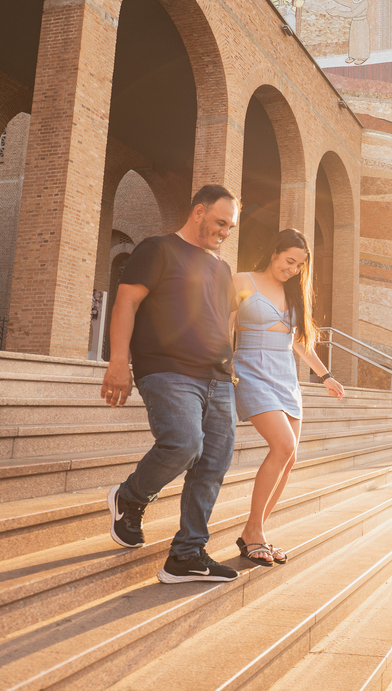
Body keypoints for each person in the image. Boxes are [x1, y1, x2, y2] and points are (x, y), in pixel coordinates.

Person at [101, 184, 242, 584]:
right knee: (184, 443)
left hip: (218, 377)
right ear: (198, 212)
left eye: (230, 227)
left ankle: (187, 554)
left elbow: (225, 321)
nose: (224, 232)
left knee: (213, 464)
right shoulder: (157, 249)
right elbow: (126, 302)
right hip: (167, 369)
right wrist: (118, 361)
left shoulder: (221, 268)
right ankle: (130, 497)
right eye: (220, 223)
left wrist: (230, 368)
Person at [232, 228, 345, 566]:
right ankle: (255, 531)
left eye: (299, 265)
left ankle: (255, 531)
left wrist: (325, 376)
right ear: (275, 253)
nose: (293, 269)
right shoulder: (242, 281)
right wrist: (223, 365)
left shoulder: (293, 292)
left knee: (290, 457)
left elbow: (299, 341)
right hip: (251, 369)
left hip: (285, 376)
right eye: (289, 261)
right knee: (283, 446)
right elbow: (225, 324)